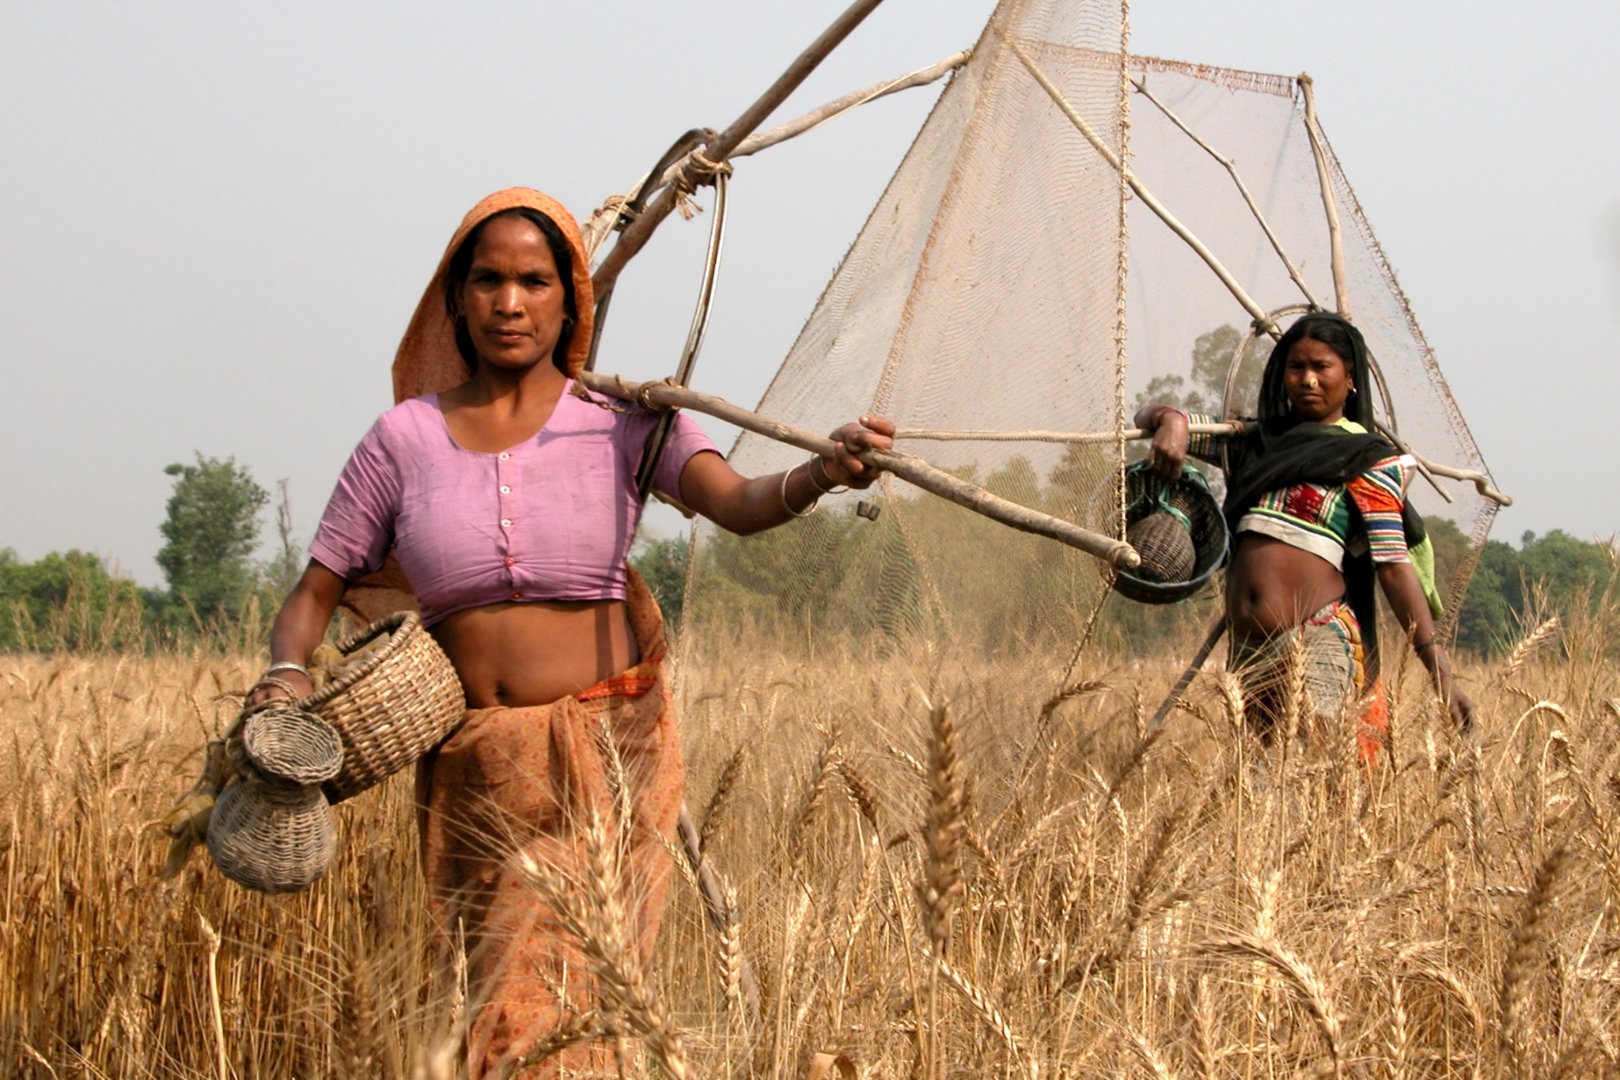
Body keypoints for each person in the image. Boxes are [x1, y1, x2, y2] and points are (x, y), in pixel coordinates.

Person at [248, 188, 894, 1076]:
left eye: (534, 282)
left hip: (607, 759)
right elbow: (315, 591)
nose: (509, 304)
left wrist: (823, 471)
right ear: (456, 300)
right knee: (495, 1013)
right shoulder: (404, 442)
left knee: (563, 1010)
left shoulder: (627, 422)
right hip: (478, 768)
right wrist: (286, 672)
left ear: (570, 301)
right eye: (487, 282)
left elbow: (739, 505)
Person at [1135, 312, 1474, 745]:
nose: (1308, 379)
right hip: (1247, 652)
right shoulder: (1251, 444)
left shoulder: (1368, 461)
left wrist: (1440, 675)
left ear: (1349, 378)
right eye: (1297, 367)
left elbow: (1393, 566)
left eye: (1321, 367)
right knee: (1259, 791)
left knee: (1317, 772)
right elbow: (1149, 417)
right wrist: (1173, 421)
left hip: (1316, 640)